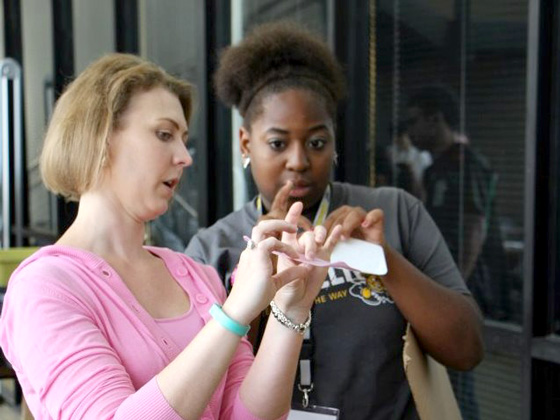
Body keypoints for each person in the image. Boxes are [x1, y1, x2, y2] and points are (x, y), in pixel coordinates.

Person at [0, 53, 342, 420]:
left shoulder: (195, 275)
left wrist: (291, 308)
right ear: (99, 137)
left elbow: (249, 416)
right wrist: (234, 313)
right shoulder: (45, 289)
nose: (184, 156)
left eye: (183, 138)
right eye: (164, 134)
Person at [186, 22, 484, 419]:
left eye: (317, 142)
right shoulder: (213, 248)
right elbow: (203, 391)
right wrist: (262, 276)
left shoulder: (393, 213)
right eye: (278, 143)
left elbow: (467, 350)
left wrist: (382, 259)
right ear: (245, 142)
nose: (299, 161)